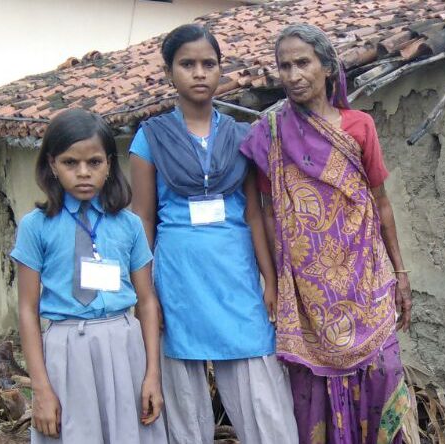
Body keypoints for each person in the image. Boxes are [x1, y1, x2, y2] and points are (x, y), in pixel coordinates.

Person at [239, 23, 415, 444]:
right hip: (306, 292)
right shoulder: (270, 134)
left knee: (385, 371)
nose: (294, 74)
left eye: (303, 62)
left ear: (327, 68)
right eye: (285, 66)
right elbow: (265, 213)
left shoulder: (358, 126)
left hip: (365, 279)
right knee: (312, 391)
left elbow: (381, 202)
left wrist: (401, 272)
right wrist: (274, 279)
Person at [130, 23, 298, 444]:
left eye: (209, 63)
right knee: (182, 392)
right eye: (187, 64)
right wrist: (143, 292)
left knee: (261, 389)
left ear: (221, 70)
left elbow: (255, 215)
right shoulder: (150, 138)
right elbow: (143, 218)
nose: (199, 72)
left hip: (235, 275)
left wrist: (271, 279)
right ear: (170, 73)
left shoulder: (241, 136)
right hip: (177, 276)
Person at [11, 108, 166, 443]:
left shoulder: (129, 226)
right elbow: (27, 309)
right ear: (52, 164)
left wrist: (152, 374)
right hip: (67, 349)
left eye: (94, 162)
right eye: (70, 162)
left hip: (124, 346)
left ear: (109, 164)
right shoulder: (35, 227)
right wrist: (41, 389)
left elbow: (147, 301)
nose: (83, 173)